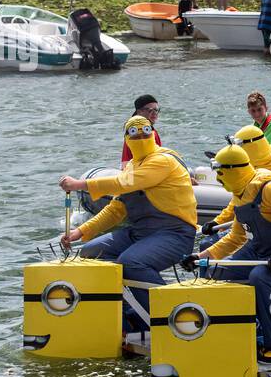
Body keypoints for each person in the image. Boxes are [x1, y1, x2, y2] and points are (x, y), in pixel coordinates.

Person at [182, 145, 271, 366]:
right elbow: (236, 237)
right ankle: (243, 327)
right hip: (262, 249)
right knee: (213, 268)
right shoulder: (241, 191)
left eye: (220, 172)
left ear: (233, 170)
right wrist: (202, 256)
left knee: (261, 277)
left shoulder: (270, 187)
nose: (217, 178)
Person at [59, 117, 196, 331]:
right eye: (136, 135)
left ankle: (172, 318)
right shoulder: (132, 165)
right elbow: (117, 209)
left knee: (131, 262)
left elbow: (126, 183)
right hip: (141, 232)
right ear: (127, 139)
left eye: (146, 134)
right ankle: (129, 315)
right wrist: (80, 231)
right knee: (91, 252)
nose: (141, 139)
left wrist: (80, 184)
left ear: (153, 134)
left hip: (175, 234)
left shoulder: (163, 160)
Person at [122, 96, 162, 165]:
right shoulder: (147, 133)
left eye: (156, 110)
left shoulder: (130, 131)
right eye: (149, 110)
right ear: (139, 111)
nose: (154, 113)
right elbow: (126, 161)